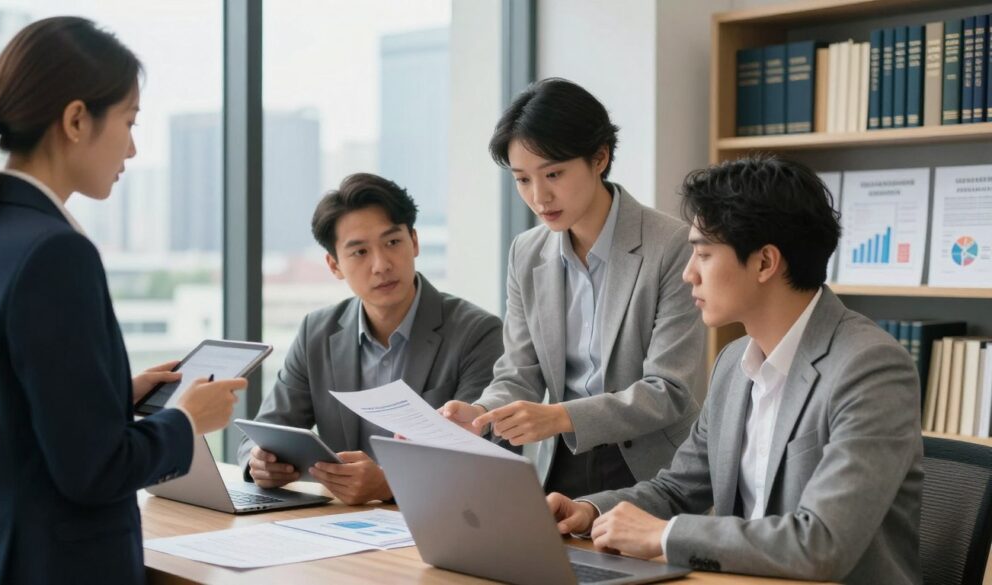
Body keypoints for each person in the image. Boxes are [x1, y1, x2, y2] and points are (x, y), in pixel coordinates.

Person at [546, 155, 923, 584]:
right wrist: (589, 511)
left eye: (703, 255)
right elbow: (677, 489)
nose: (689, 274)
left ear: (765, 263)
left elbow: (823, 543)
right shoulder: (733, 364)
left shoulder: (870, 368)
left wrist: (665, 536)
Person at [0, 16, 247, 585]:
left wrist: (114, 395)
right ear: (76, 120)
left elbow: (5, 411)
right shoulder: (55, 253)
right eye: (129, 120)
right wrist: (185, 421)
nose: (134, 146)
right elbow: (92, 472)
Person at [441, 78, 705, 497]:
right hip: (558, 463)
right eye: (522, 180)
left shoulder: (671, 245)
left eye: (554, 174)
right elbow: (519, 373)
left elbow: (669, 391)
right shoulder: (526, 253)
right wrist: (481, 413)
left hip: (653, 469)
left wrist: (560, 416)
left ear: (599, 159)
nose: (539, 196)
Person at [236, 173, 503, 504]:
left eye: (392, 242)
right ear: (334, 265)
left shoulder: (477, 332)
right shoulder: (316, 332)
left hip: (445, 522)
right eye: (360, 252)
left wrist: (392, 483)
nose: (381, 265)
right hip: (342, 526)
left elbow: (488, 459)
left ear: (414, 242)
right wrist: (260, 462)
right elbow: (265, 432)